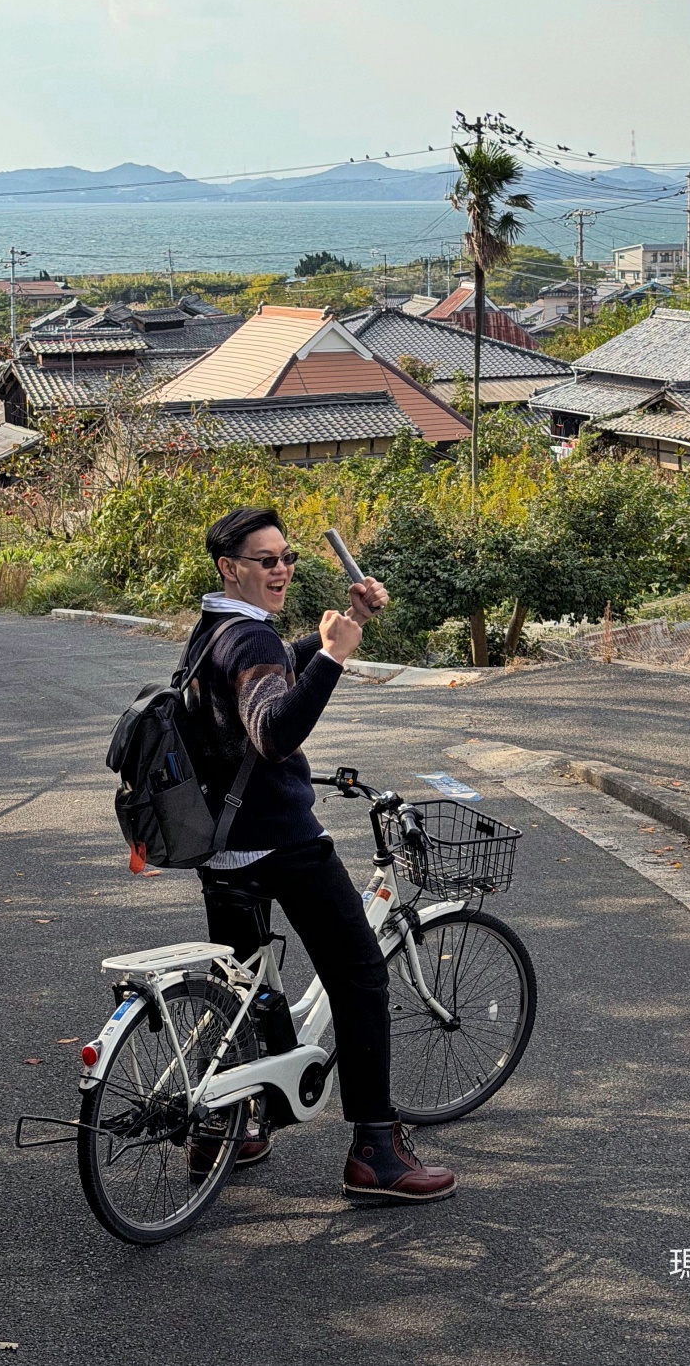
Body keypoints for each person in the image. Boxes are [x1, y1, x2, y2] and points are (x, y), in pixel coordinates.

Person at [186, 506, 456, 1205]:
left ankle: (229, 1125)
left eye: (287, 558)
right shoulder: (247, 638)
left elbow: (271, 675)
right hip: (280, 844)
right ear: (230, 567)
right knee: (362, 978)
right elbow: (274, 732)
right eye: (264, 560)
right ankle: (375, 1152)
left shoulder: (215, 628)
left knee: (242, 991)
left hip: (221, 849)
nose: (280, 569)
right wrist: (334, 655)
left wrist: (337, 631)